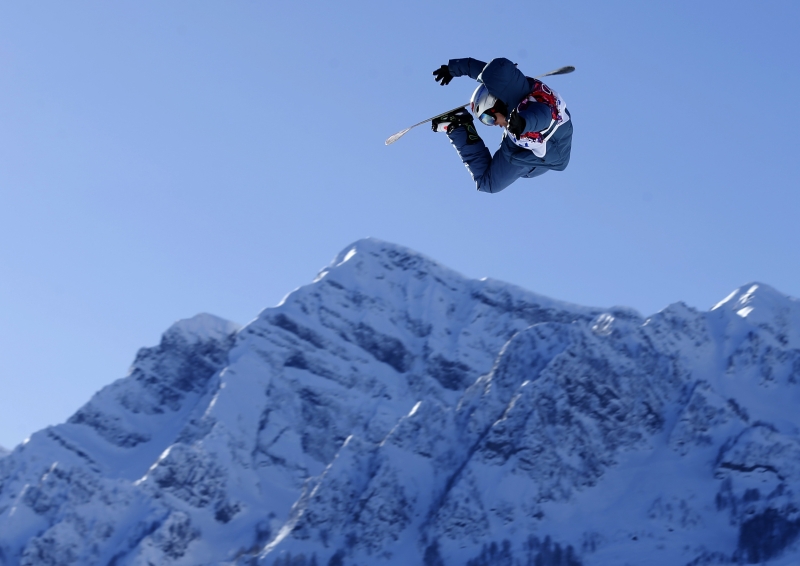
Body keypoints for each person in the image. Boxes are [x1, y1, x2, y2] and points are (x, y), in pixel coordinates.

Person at [431, 58, 573, 194]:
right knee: (488, 183)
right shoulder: (507, 86)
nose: (495, 125)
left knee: (488, 183)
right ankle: (457, 124)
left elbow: (543, 116)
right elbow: (489, 72)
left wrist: (523, 122)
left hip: (551, 146)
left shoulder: (537, 109)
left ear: (497, 105)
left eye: (488, 118)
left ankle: (458, 125)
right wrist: (453, 68)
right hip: (521, 145)